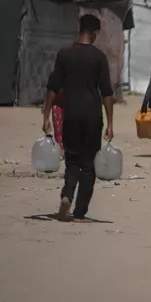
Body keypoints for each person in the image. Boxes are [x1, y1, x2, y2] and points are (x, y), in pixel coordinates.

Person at [42, 14, 114, 222]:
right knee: (89, 164)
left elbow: (52, 86)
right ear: (94, 32)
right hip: (92, 116)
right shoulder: (99, 57)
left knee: (72, 160)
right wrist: (110, 122)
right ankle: (80, 210)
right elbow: (107, 92)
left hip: (71, 115)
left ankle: (66, 195)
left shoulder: (65, 54)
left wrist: (46, 115)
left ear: (79, 29)